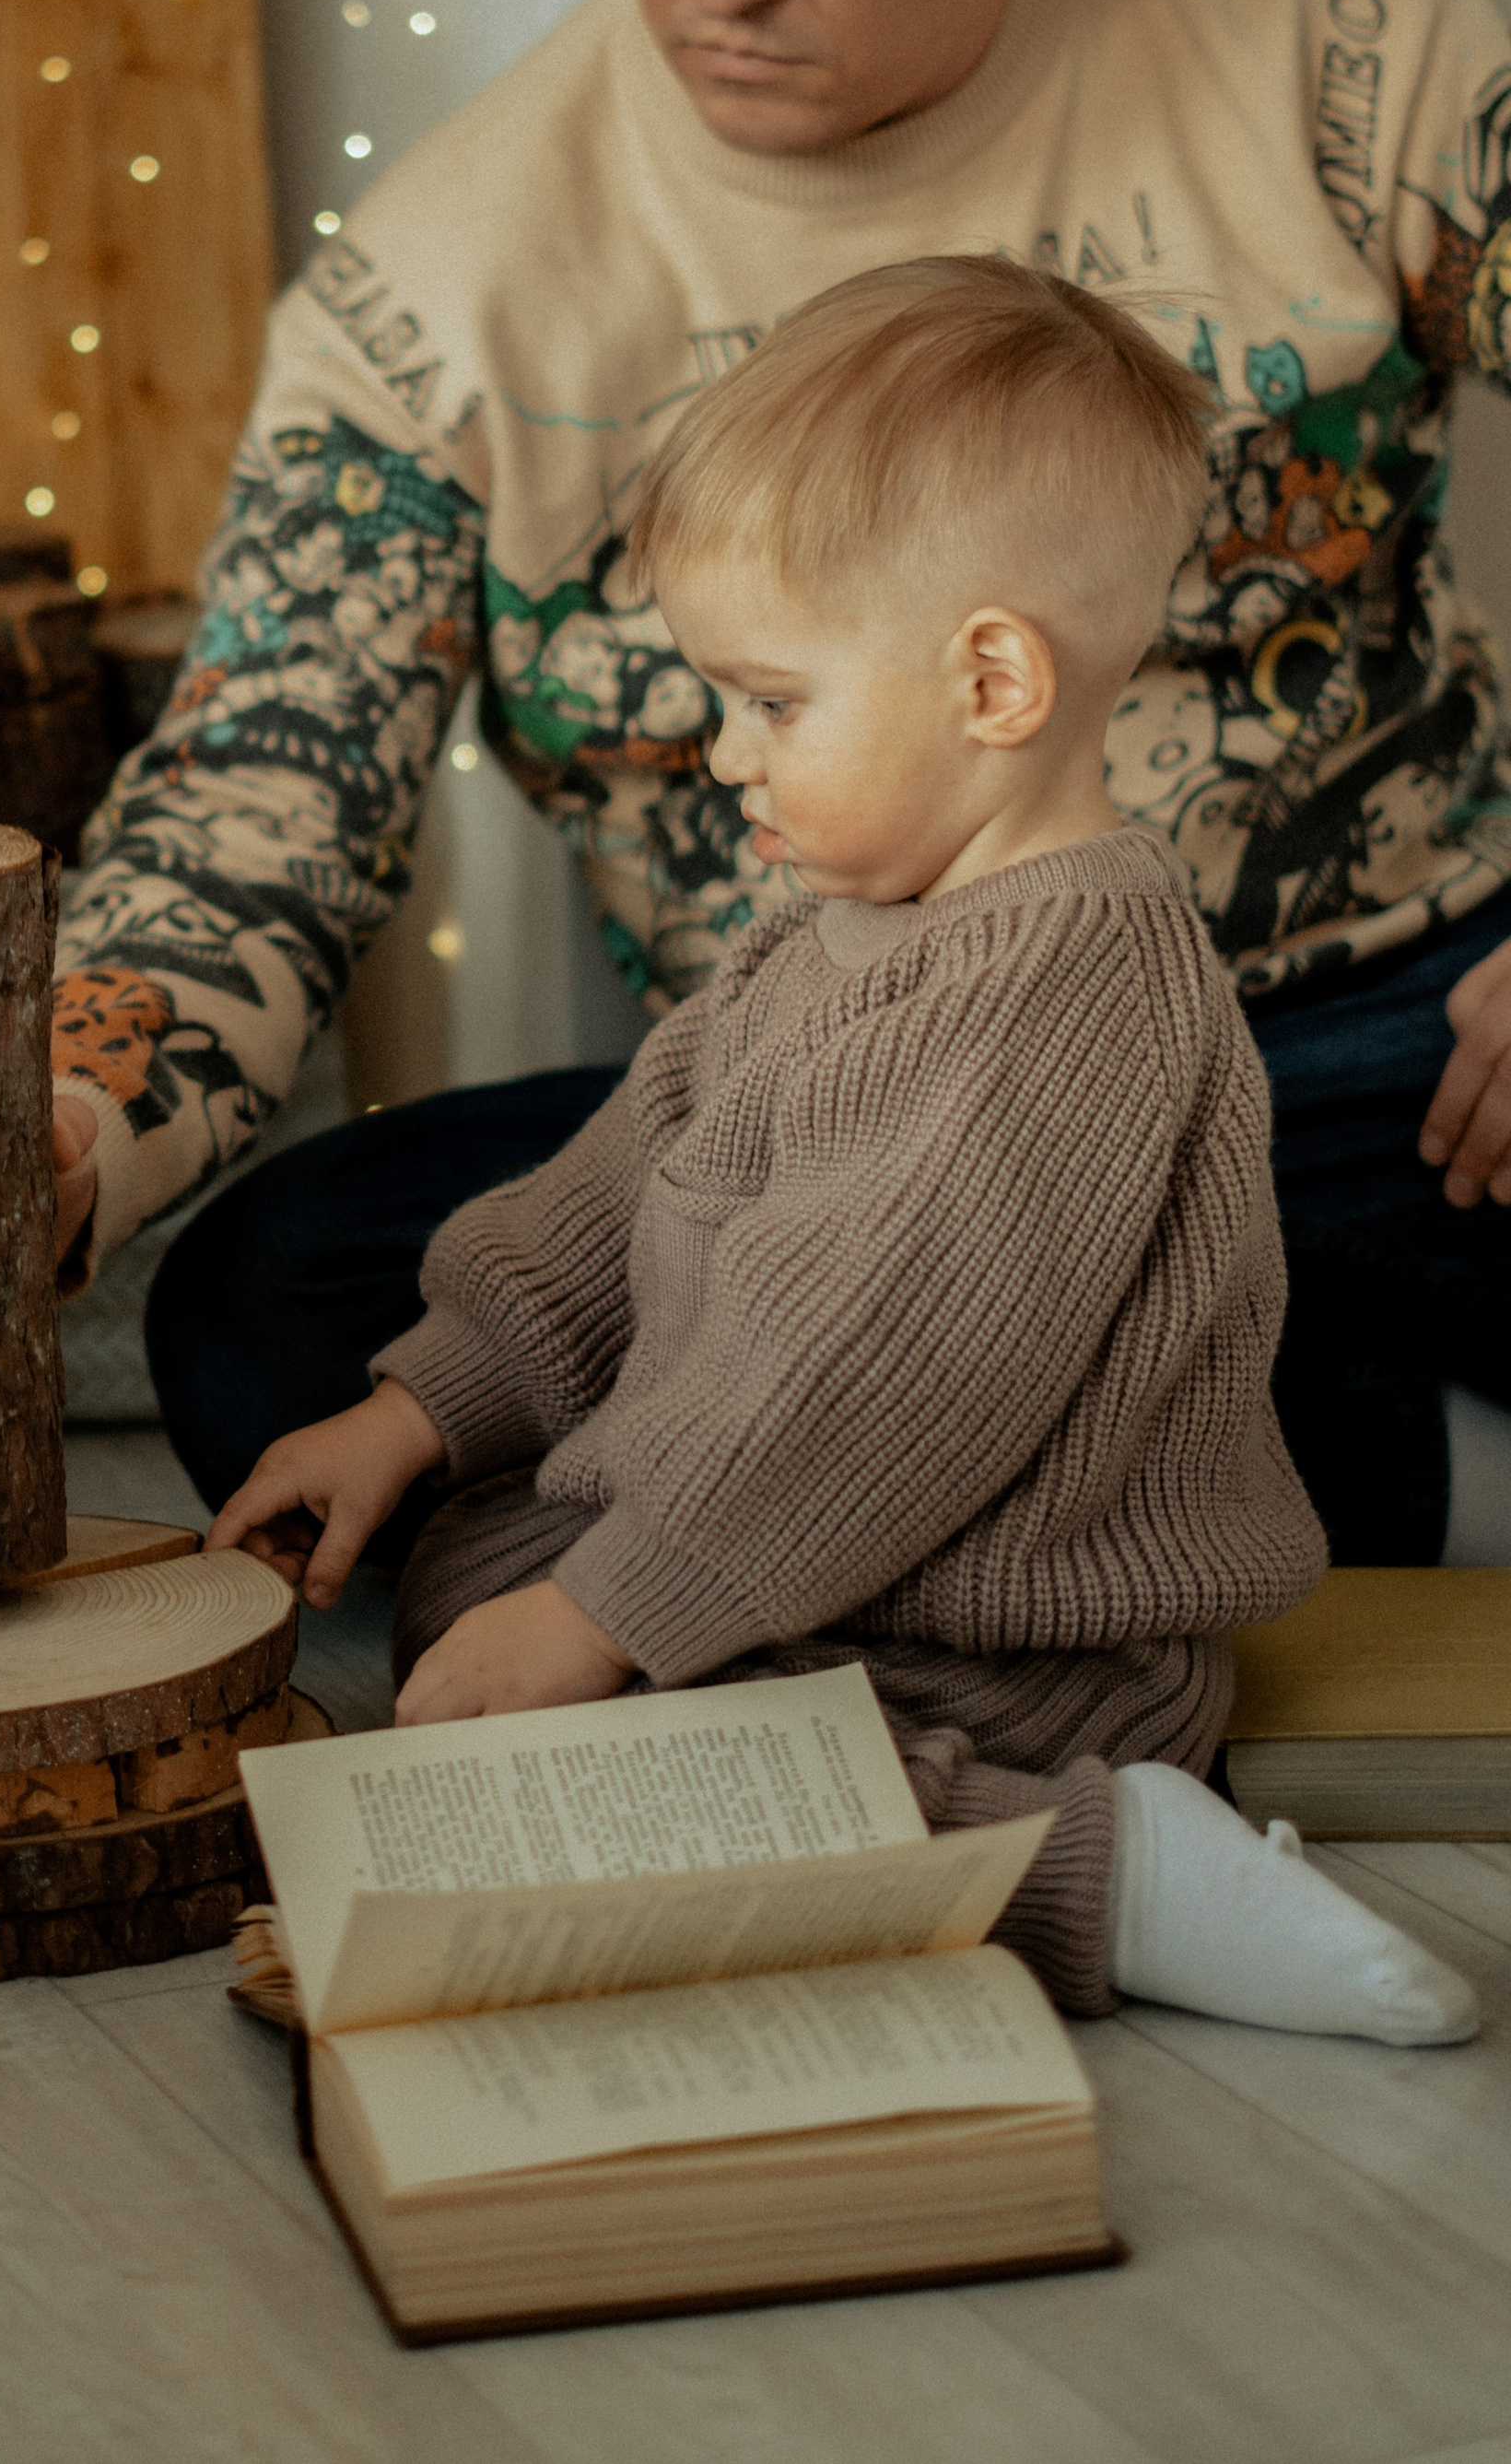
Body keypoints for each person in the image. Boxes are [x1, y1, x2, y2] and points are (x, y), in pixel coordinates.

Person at [0, 0, 1511, 1563]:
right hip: (834, 1108)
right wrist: (58, 1120)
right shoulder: (446, 290)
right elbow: (254, 801)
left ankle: (1018, 1485)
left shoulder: (1348, 68)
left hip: (1392, 1058)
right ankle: (1183, 1460)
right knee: (272, 1312)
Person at [205, 259, 1476, 2044]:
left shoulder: (1065, 984)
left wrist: (611, 1608)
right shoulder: (824, 932)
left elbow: (867, 1379)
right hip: (788, 1574)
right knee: (478, 1593)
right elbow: (613, 1190)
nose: (724, 754)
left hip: (995, 1655)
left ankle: (1116, 1873)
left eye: (771, 701)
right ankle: (624, 1699)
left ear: (988, 679)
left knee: (604, 1742)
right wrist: (414, 1408)